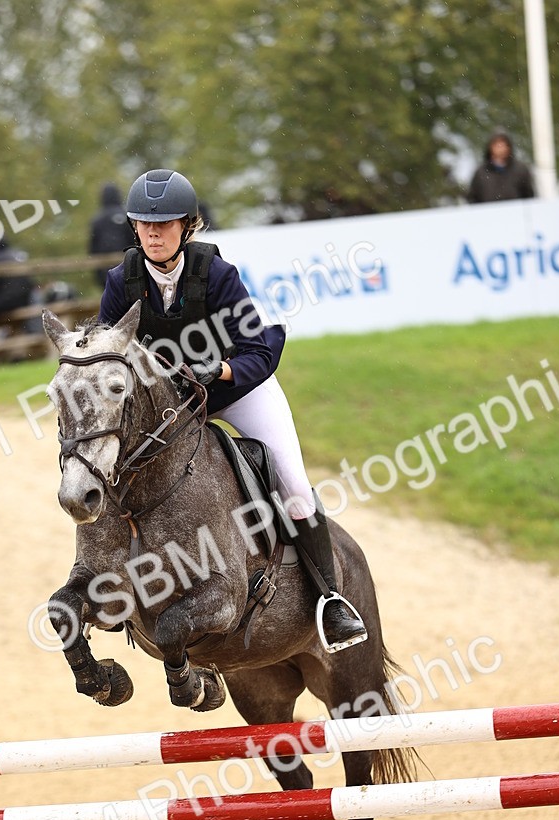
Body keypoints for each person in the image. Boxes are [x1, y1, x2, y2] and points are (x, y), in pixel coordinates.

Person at [97, 168, 367, 655]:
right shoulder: (122, 282)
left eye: (165, 224)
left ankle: (331, 600)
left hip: (238, 390)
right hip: (170, 408)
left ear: (188, 226)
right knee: (111, 474)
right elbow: (106, 353)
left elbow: (258, 353)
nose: (153, 233)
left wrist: (215, 370)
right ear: (134, 228)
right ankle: (114, 586)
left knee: (294, 486)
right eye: (144, 224)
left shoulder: (217, 276)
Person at [468, 131, 535, 203]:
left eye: (504, 145)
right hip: (488, 212)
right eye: (498, 145)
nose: (501, 148)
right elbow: (473, 198)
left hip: (515, 212)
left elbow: (529, 196)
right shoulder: (481, 172)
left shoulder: (521, 170)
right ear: (491, 147)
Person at [88, 183, 130, 286]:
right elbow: (133, 240)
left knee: (111, 296)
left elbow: (93, 246)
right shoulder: (127, 216)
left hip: (105, 270)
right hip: (128, 266)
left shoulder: (97, 219)